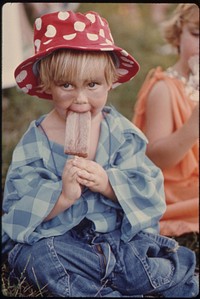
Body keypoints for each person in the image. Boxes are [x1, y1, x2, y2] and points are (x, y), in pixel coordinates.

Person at [2, 10, 198, 298]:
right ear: (47, 85)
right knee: (39, 259)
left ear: (110, 82)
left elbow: (150, 190)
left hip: (117, 238)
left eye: (92, 85)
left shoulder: (121, 133)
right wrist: (62, 196)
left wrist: (108, 183)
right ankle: (108, 289)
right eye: (66, 85)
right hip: (61, 241)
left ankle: (164, 277)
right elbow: (17, 207)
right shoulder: (37, 140)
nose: (80, 98)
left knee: (138, 255)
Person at [132, 4, 199, 238]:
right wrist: (193, 126)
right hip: (172, 190)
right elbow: (155, 158)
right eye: (197, 34)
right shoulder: (165, 89)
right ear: (178, 34)